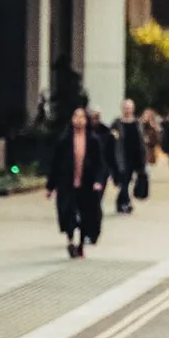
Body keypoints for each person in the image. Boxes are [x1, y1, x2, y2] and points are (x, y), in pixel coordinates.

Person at [47, 106, 107, 257]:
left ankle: (81, 243)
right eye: (76, 117)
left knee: (85, 215)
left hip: (86, 185)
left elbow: (100, 163)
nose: (78, 120)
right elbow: (55, 164)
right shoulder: (64, 140)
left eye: (82, 117)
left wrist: (98, 181)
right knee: (68, 213)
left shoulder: (93, 140)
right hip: (67, 184)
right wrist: (50, 186)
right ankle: (70, 240)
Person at [111, 99, 147, 212]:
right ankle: (125, 203)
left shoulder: (137, 123)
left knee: (129, 180)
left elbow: (142, 141)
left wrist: (143, 157)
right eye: (125, 107)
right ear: (122, 109)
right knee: (125, 180)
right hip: (122, 156)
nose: (127, 110)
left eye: (129, 107)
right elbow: (111, 140)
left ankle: (121, 202)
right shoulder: (117, 123)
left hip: (136, 157)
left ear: (133, 109)